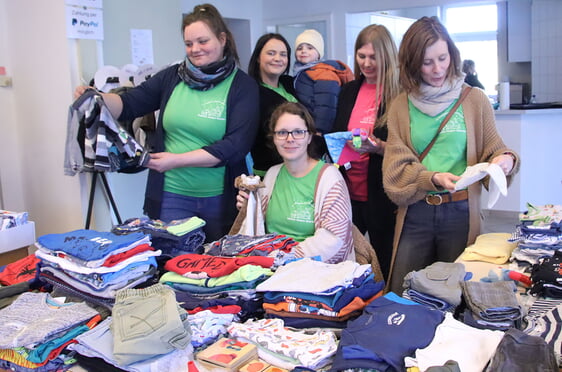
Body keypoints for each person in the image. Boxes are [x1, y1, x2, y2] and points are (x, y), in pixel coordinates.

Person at [74, 3, 259, 243]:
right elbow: (129, 103)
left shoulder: (242, 86)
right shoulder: (172, 77)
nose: (195, 49)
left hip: (219, 198)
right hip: (171, 196)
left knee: (215, 265)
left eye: (203, 41)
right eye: (189, 43)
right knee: (170, 264)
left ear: (222, 39)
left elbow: (235, 146)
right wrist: (98, 98)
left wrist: (176, 160)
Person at [382, 16, 520, 294]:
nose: (437, 69)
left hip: (461, 211)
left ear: (452, 55)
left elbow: (496, 148)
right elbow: (395, 168)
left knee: (456, 293)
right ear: (411, 63)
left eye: (442, 58)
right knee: (403, 290)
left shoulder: (474, 99)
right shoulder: (400, 106)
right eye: (426, 62)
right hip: (416, 209)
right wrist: (431, 177)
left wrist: (506, 160)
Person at [236, 102, 354, 264]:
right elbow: (256, 230)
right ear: (274, 138)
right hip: (270, 265)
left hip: (315, 269)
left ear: (310, 137)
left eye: (298, 132)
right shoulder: (271, 175)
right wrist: (249, 208)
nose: (290, 139)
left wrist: (286, 258)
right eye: (282, 133)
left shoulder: (329, 178)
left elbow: (334, 239)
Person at [331, 24, 400, 280]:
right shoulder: (349, 90)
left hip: (383, 192)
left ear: (387, 57)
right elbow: (339, 131)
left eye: (374, 57)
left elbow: (410, 149)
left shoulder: (399, 94)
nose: (367, 63)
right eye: (362, 57)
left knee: (385, 259)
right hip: (349, 188)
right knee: (349, 259)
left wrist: (379, 147)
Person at [248, 33, 299, 178]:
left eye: (283, 54)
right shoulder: (251, 91)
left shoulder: (289, 83)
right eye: (271, 53)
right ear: (258, 57)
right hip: (270, 172)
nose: (278, 59)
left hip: (298, 167)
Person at [292, 29, 354, 135]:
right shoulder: (302, 71)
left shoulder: (324, 73)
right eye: (299, 48)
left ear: (319, 54)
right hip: (306, 126)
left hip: (318, 131)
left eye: (310, 48)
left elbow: (326, 106)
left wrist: (319, 131)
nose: (303, 51)